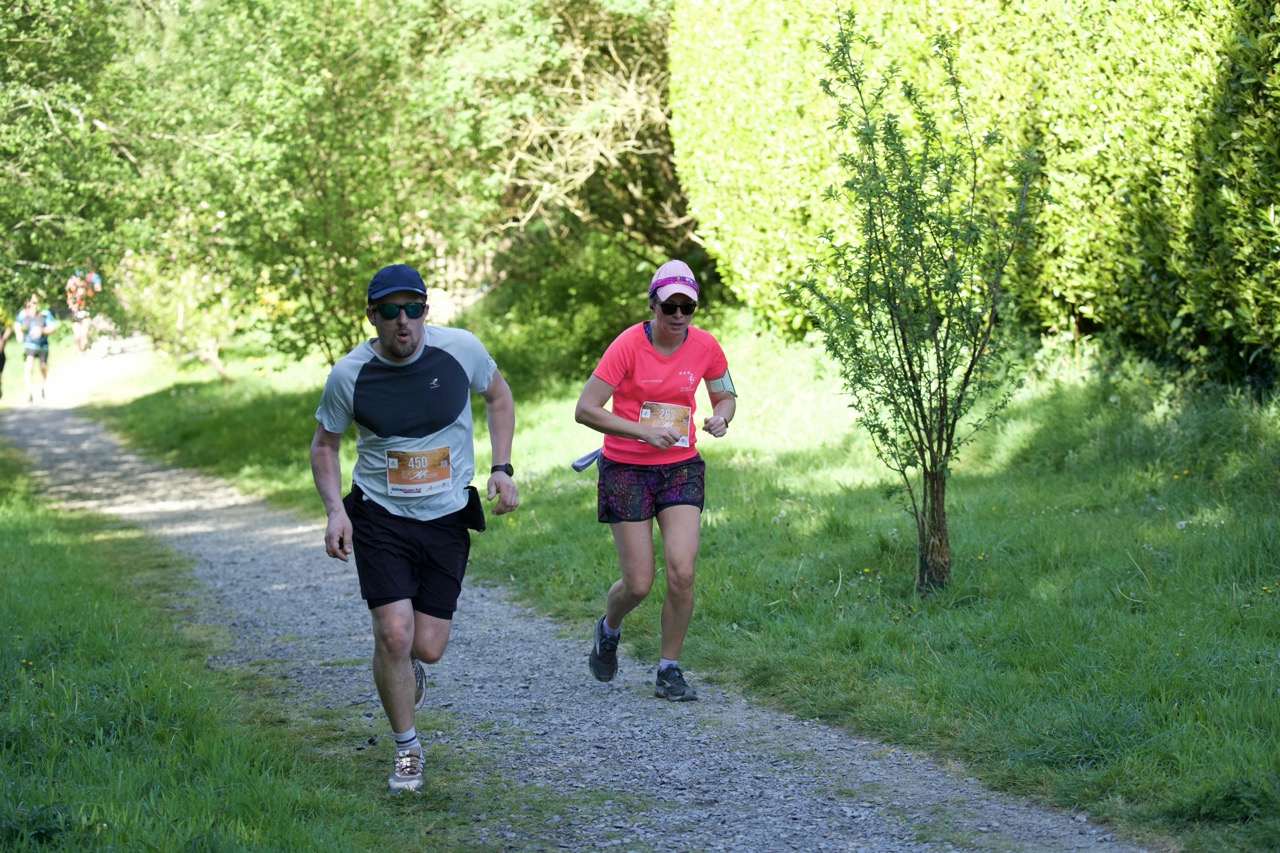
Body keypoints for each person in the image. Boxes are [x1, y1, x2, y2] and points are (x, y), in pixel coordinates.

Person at [309, 263, 519, 793]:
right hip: (379, 515)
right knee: (394, 633)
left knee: (427, 646)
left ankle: (404, 667)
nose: (402, 320)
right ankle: (407, 749)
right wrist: (335, 511)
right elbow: (325, 445)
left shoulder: (461, 350)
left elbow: (498, 396)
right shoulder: (349, 374)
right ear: (372, 315)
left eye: (413, 308)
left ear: (426, 310)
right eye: (389, 310)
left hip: (446, 516)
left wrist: (501, 467)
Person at [574, 259, 737, 701]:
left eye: (688, 307)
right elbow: (585, 409)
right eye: (670, 307)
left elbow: (725, 395)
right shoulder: (627, 345)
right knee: (639, 583)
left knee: (682, 573)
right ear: (653, 305)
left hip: (680, 468)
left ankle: (669, 669)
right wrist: (642, 432)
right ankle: (609, 628)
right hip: (626, 468)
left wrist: (721, 417)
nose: (679, 316)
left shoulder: (705, 346)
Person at [15, 294, 56, 403]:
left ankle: (42, 388)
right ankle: (29, 392)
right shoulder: (24, 313)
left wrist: (42, 330)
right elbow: (17, 323)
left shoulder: (45, 313)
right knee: (28, 367)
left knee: (43, 367)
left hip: (43, 345)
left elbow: (52, 327)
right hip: (29, 344)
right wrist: (19, 333)